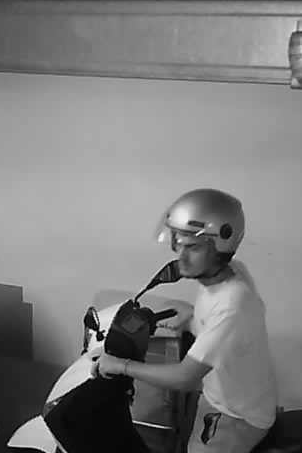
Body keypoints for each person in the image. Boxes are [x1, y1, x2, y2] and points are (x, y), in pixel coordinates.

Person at [91, 188, 278, 453]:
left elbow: (184, 378)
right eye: (178, 243)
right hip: (221, 397)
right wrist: (192, 317)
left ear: (221, 247)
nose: (181, 256)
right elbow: (225, 329)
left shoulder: (233, 306)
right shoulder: (229, 274)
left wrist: (121, 366)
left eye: (193, 247)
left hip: (237, 417)